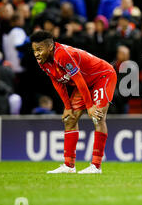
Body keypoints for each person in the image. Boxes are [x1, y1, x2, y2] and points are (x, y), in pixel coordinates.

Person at [30, 30, 117, 174]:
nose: (36, 54)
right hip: (84, 82)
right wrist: (67, 107)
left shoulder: (62, 54)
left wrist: (90, 106)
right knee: (70, 119)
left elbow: (78, 80)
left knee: (97, 116)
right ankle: (69, 166)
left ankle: (96, 166)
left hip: (102, 76)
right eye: (34, 50)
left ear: (50, 47)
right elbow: (57, 82)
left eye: (39, 49)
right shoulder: (43, 61)